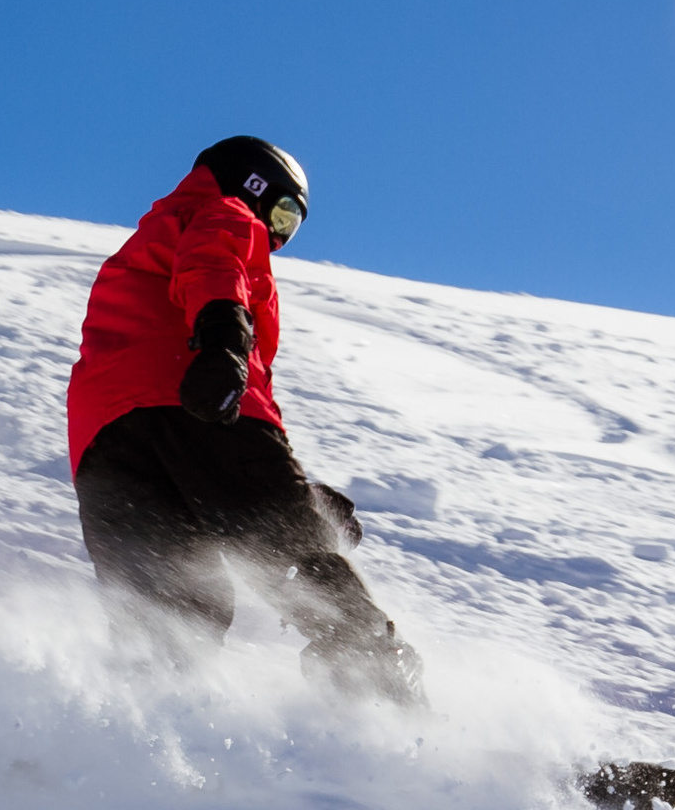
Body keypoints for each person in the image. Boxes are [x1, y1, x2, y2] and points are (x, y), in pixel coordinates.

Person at [65, 137, 424, 703]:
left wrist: (300, 492)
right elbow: (215, 262)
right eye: (283, 213)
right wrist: (224, 343)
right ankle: (390, 701)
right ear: (254, 183)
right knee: (294, 548)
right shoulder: (223, 211)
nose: (279, 235)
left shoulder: (148, 244)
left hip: (105, 448)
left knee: (175, 609)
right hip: (198, 400)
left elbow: (205, 469)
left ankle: (145, 723)